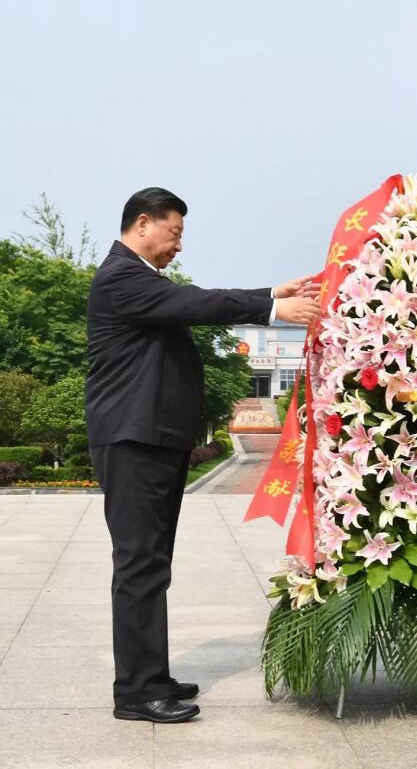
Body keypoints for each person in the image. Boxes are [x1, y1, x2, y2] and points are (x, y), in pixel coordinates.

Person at [86, 187, 321, 723]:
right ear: (143, 223)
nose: (178, 246)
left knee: (152, 563)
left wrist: (267, 291)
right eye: (174, 233)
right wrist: (270, 306)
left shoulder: (141, 280)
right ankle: (138, 693)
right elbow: (195, 303)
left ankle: (151, 675)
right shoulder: (121, 277)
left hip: (152, 440)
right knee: (140, 564)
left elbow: (190, 297)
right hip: (133, 440)